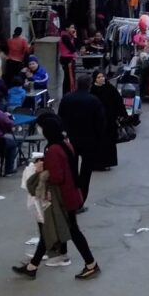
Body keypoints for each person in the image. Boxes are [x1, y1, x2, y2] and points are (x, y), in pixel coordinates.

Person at [12, 116, 101, 281]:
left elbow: (57, 177)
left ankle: (91, 264)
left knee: (69, 231)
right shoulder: (66, 144)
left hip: (62, 198)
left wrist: (42, 170)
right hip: (72, 193)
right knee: (52, 230)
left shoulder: (53, 150)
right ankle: (32, 267)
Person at [57, 73, 105, 205]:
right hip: (89, 140)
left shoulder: (67, 98)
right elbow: (100, 122)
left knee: (71, 169)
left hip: (71, 138)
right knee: (86, 171)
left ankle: (70, 196)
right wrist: (99, 138)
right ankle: (81, 199)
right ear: (89, 85)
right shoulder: (93, 101)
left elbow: (60, 117)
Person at [91, 71, 126, 170]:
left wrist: (123, 114)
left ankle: (108, 163)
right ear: (95, 79)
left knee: (109, 143)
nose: (102, 79)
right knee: (98, 144)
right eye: (99, 77)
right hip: (97, 122)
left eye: (102, 77)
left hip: (110, 121)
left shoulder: (110, 88)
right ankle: (98, 164)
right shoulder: (92, 90)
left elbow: (118, 100)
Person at [58, 24, 80, 94]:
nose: (73, 29)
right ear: (67, 28)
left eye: (74, 27)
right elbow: (73, 48)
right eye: (72, 27)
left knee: (70, 78)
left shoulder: (68, 36)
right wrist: (75, 37)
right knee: (69, 79)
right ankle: (68, 94)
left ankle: (69, 93)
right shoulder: (65, 37)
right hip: (67, 60)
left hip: (69, 59)